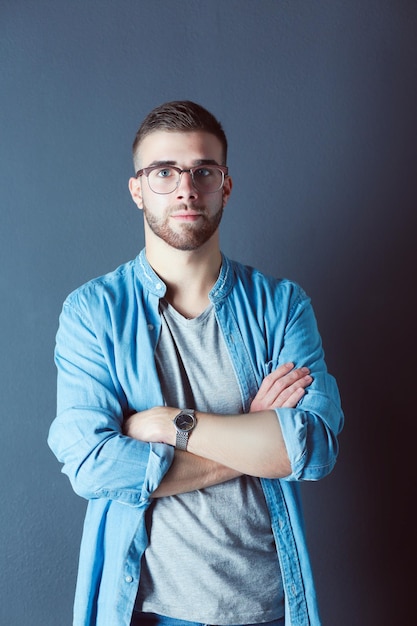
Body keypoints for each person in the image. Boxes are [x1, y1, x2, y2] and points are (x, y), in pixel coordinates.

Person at [48, 100, 344, 626]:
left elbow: (315, 447)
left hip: (271, 610)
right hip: (154, 614)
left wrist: (173, 426)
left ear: (225, 185)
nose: (186, 188)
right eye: (164, 172)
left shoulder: (281, 306)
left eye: (203, 171)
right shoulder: (93, 313)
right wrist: (256, 437)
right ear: (137, 189)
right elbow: (93, 465)